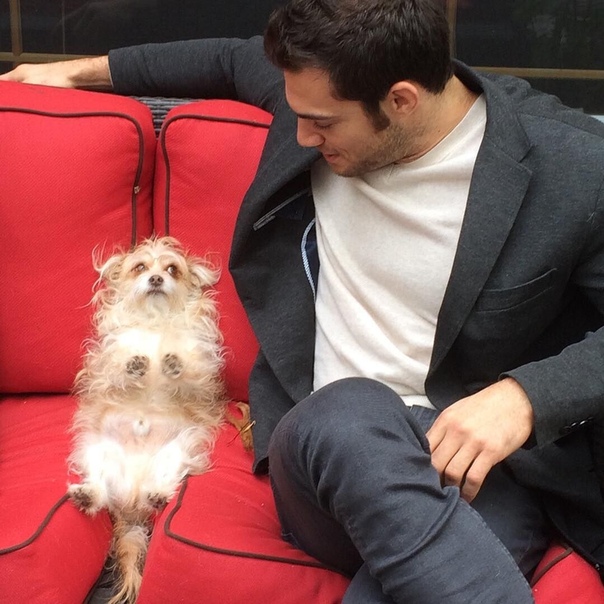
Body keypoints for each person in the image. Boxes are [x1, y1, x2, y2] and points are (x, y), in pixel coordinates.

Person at [3, 0, 604, 601]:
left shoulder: (572, 166)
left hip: (477, 473)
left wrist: (526, 398)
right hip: (325, 452)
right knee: (351, 411)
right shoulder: (314, 94)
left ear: (401, 100)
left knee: (429, 578)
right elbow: (225, 58)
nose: (302, 137)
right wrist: (71, 71)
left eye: (322, 123)